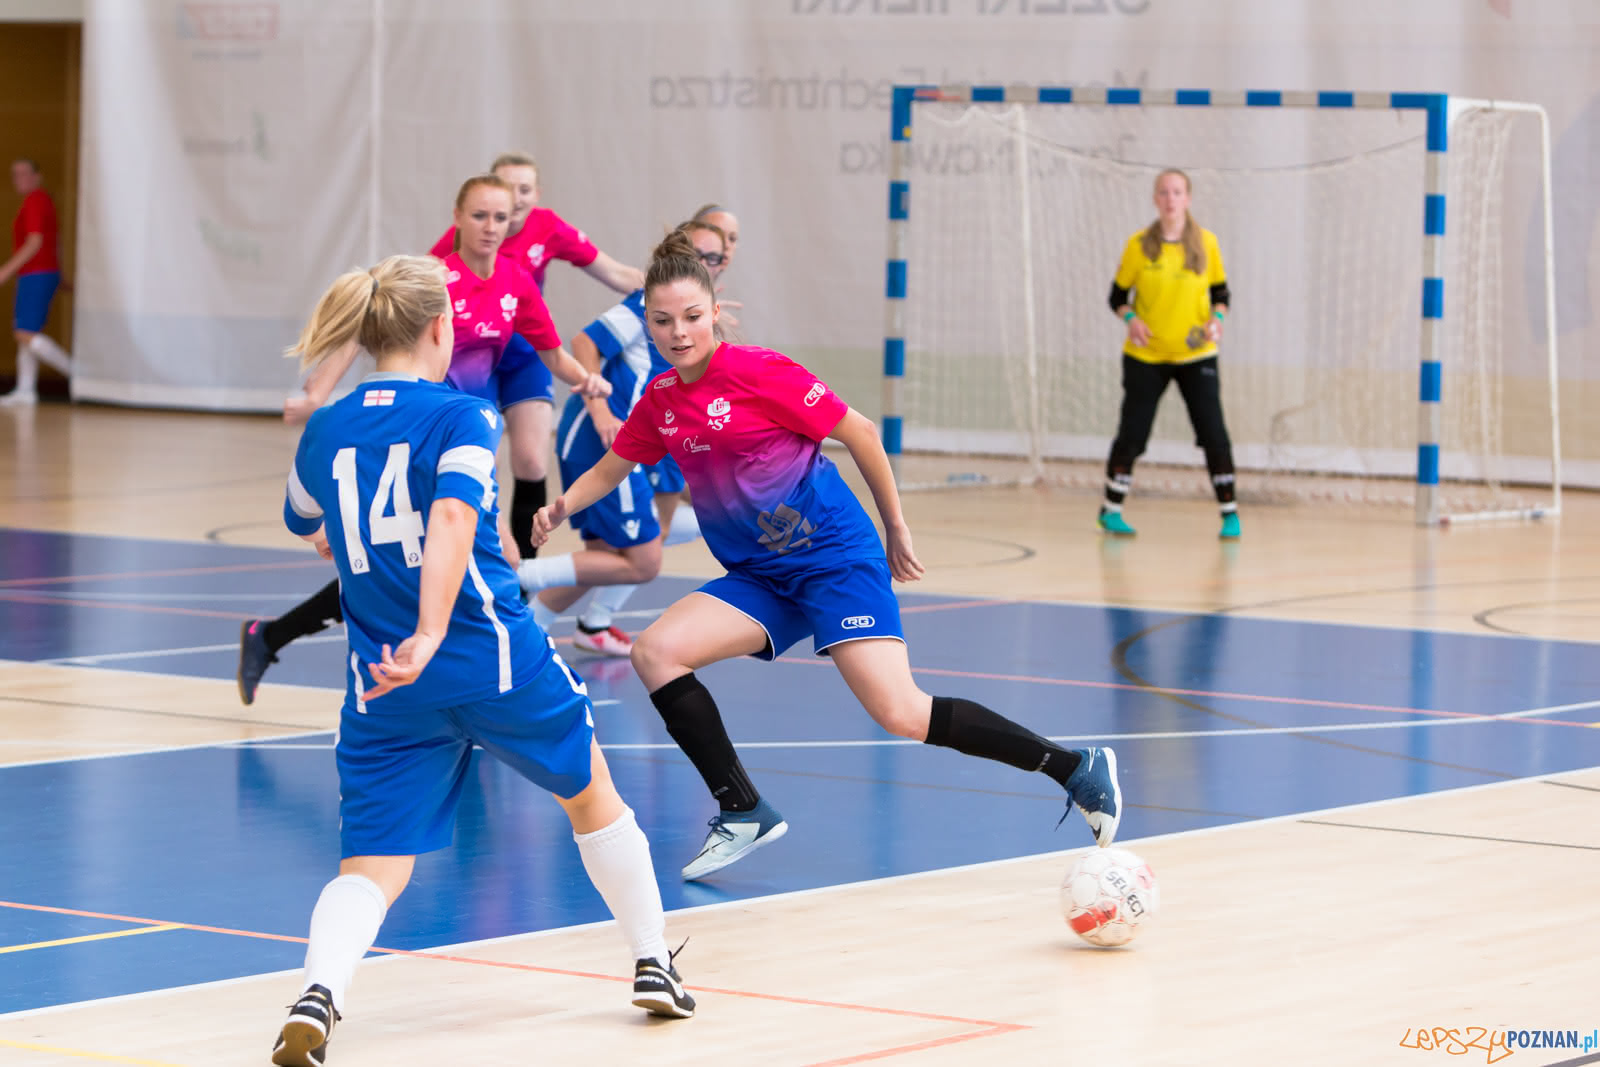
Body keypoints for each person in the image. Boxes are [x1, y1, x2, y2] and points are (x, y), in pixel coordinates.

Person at [530, 231, 1125, 881]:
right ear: (647, 320)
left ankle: (1075, 767)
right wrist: (562, 506)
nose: (678, 332)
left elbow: (860, 432)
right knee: (656, 651)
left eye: (692, 317)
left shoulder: (761, 372)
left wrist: (895, 524)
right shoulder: (663, 403)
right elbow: (617, 463)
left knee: (900, 711)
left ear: (716, 312)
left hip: (834, 561)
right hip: (760, 576)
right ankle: (742, 808)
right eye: (663, 321)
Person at [266, 254, 692, 1067]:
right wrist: (432, 628)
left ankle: (317, 996)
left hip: (384, 680)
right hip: (491, 659)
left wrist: (358, 542)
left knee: (371, 864)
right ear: (440, 327)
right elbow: (457, 518)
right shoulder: (463, 416)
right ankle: (651, 961)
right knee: (592, 796)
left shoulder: (327, 424)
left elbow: (304, 517)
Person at [239, 175, 608, 706]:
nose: (490, 227)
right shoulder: (436, 280)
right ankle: (485, 667)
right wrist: (317, 390)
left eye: (500, 217)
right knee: (427, 556)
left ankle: (280, 636)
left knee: (427, 555)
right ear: (456, 217)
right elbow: (370, 318)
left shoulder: (515, 283)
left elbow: (552, 353)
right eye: (479, 215)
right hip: (423, 438)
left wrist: (587, 384)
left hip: (464, 440)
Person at [518, 220, 727, 657]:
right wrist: (600, 409)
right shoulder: (645, 306)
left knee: (615, 556)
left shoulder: (700, 324)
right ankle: (513, 577)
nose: (714, 261)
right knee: (641, 558)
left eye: (723, 252)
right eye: (704, 253)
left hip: (646, 441)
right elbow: (584, 341)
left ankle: (535, 631)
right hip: (606, 438)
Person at [431, 152, 645, 563]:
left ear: (534, 195)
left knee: (530, 458)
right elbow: (416, 284)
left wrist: (676, 288)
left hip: (527, 353)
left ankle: (523, 573)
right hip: (473, 359)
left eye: (522, 191)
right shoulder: (462, 246)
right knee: (475, 464)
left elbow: (615, 274)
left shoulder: (540, 240)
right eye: (503, 192)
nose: (508, 207)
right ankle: (489, 560)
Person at [1100, 168, 1237, 539]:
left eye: (1177, 192)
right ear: (1155, 199)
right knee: (1133, 432)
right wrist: (1131, 318)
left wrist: (1217, 320)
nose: (1170, 199)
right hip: (1146, 356)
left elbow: (1221, 295)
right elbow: (1117, 296)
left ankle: (1229, 512)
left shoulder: (1206, 243)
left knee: (1213, 432)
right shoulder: (1138, 245)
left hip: (1196, 355)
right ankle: (1111, 509)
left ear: (1188, 198)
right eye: (1164, 192)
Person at [0, 159, 70, 405]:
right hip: (40, 272)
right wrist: (59, 274)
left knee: (25, 333)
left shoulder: (36, 200)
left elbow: (35, 242)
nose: (19, 179)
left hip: (37, 272)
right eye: (15, 174)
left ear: (37, 176)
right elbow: (55, 240)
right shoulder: (41, 201)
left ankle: (77, 374)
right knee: (25, 330)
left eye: (24, 174)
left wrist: (5, 271)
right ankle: (25, 390)